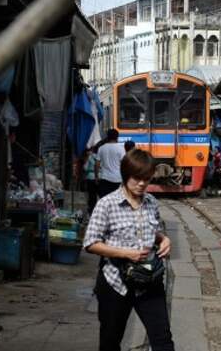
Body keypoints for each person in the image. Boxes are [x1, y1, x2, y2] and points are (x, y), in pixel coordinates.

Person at [83, 149, 174, 351]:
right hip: (116, 282)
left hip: (149, 280)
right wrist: (126, 254)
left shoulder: (151, 202)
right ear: (125, 175)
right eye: (136, 178)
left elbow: (155, 231)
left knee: (163, 340)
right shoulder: (106, 204)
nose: (141, 184)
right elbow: (90, 243)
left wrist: (164, 239)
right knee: (110, 342)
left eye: (146, 179)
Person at [96, 129, 126, 198]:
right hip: (118, 179)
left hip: (105, 179)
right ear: (117, 137)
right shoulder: (121, 149)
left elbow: (97, 164)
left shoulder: (101, 148)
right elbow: (124, 165)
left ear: (107, 137)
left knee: (105, 200)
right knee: (117, 200)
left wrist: (96, 177)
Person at [83, 147, 99, 214]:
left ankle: (92, 211)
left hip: (91, 178)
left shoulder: (89, 157)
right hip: (100, 177)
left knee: (92, 196)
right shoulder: (100, 156)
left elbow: (85, 168)